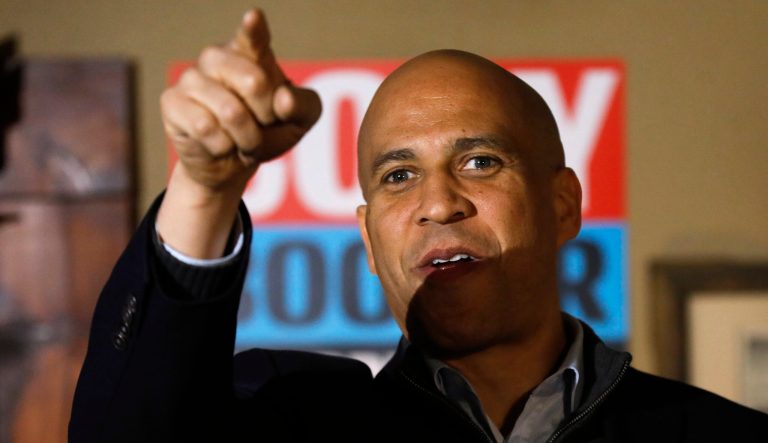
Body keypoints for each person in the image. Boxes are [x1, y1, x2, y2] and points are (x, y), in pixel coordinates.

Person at [69, 9, 767, 443]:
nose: (439, 202)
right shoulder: (296, 423)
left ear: (562, 206)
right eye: (398, 176)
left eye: (480, 160)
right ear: (370, 243)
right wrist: (206, 186)